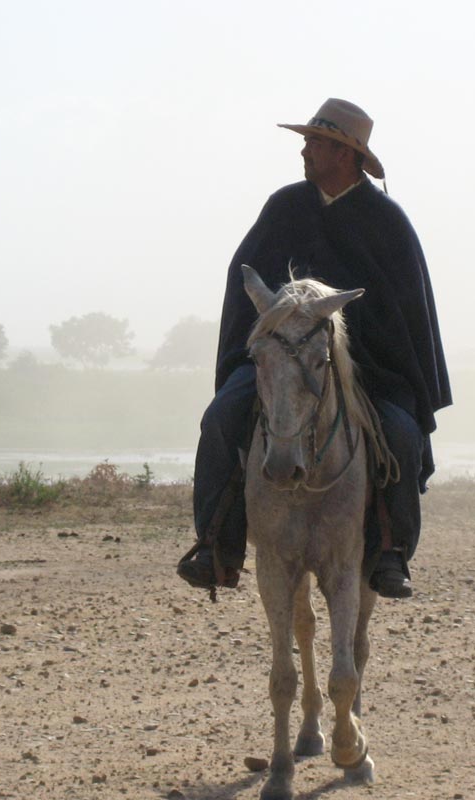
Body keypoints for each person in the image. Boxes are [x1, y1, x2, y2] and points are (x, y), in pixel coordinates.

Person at [177, 98, 451, 599]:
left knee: (402, 433)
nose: (304, 150)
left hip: (369, 367)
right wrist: (275, 338)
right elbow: (246, 286)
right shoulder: (285, 207)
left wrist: (346, 340)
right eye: (306, 141)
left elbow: (404, 313)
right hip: (283, 358)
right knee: (221, 416)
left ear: (345, 154)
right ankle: (218, 546)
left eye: (315, 142)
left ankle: (391, 550)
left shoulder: (386, 222)